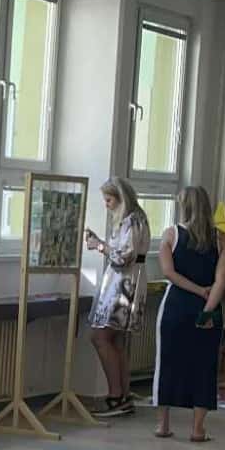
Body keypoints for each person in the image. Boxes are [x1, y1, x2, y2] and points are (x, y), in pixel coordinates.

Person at [153, 186, 225, 442]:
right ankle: (197, 429)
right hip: (209, 307)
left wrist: (196, 290)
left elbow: (168, 273)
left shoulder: (170, 234)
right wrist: (207, 309)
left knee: (167, 363)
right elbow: (220, 281)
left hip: (175, 307)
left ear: (183, 206)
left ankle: (163, 424)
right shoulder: (220, 239)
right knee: (205, 367)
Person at [84, 177, 150, 417]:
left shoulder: (131, 221)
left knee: (100, 336)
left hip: (124, 285)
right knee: (117, 341)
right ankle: (123, 394)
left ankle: (115, 395)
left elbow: (123, 257)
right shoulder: (136, 219)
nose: (106, 205)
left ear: (122, 199)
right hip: (127, 282)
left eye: (109, 200)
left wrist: (99, 245)